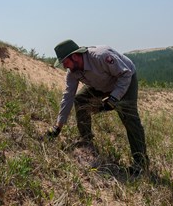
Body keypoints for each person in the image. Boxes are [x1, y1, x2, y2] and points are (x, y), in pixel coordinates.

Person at [45, 39, 148, 175]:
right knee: (80, 100)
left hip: (123, 80)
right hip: (100, 84)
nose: (65, 66)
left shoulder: (101, 56)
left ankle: (140, 164)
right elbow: (68, 97)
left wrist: (114, 98)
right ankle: (86, 140)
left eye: (65, 62)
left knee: (130, 119)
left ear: (75, 56)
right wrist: (58, 127)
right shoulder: (72, 72)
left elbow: (126, 73)